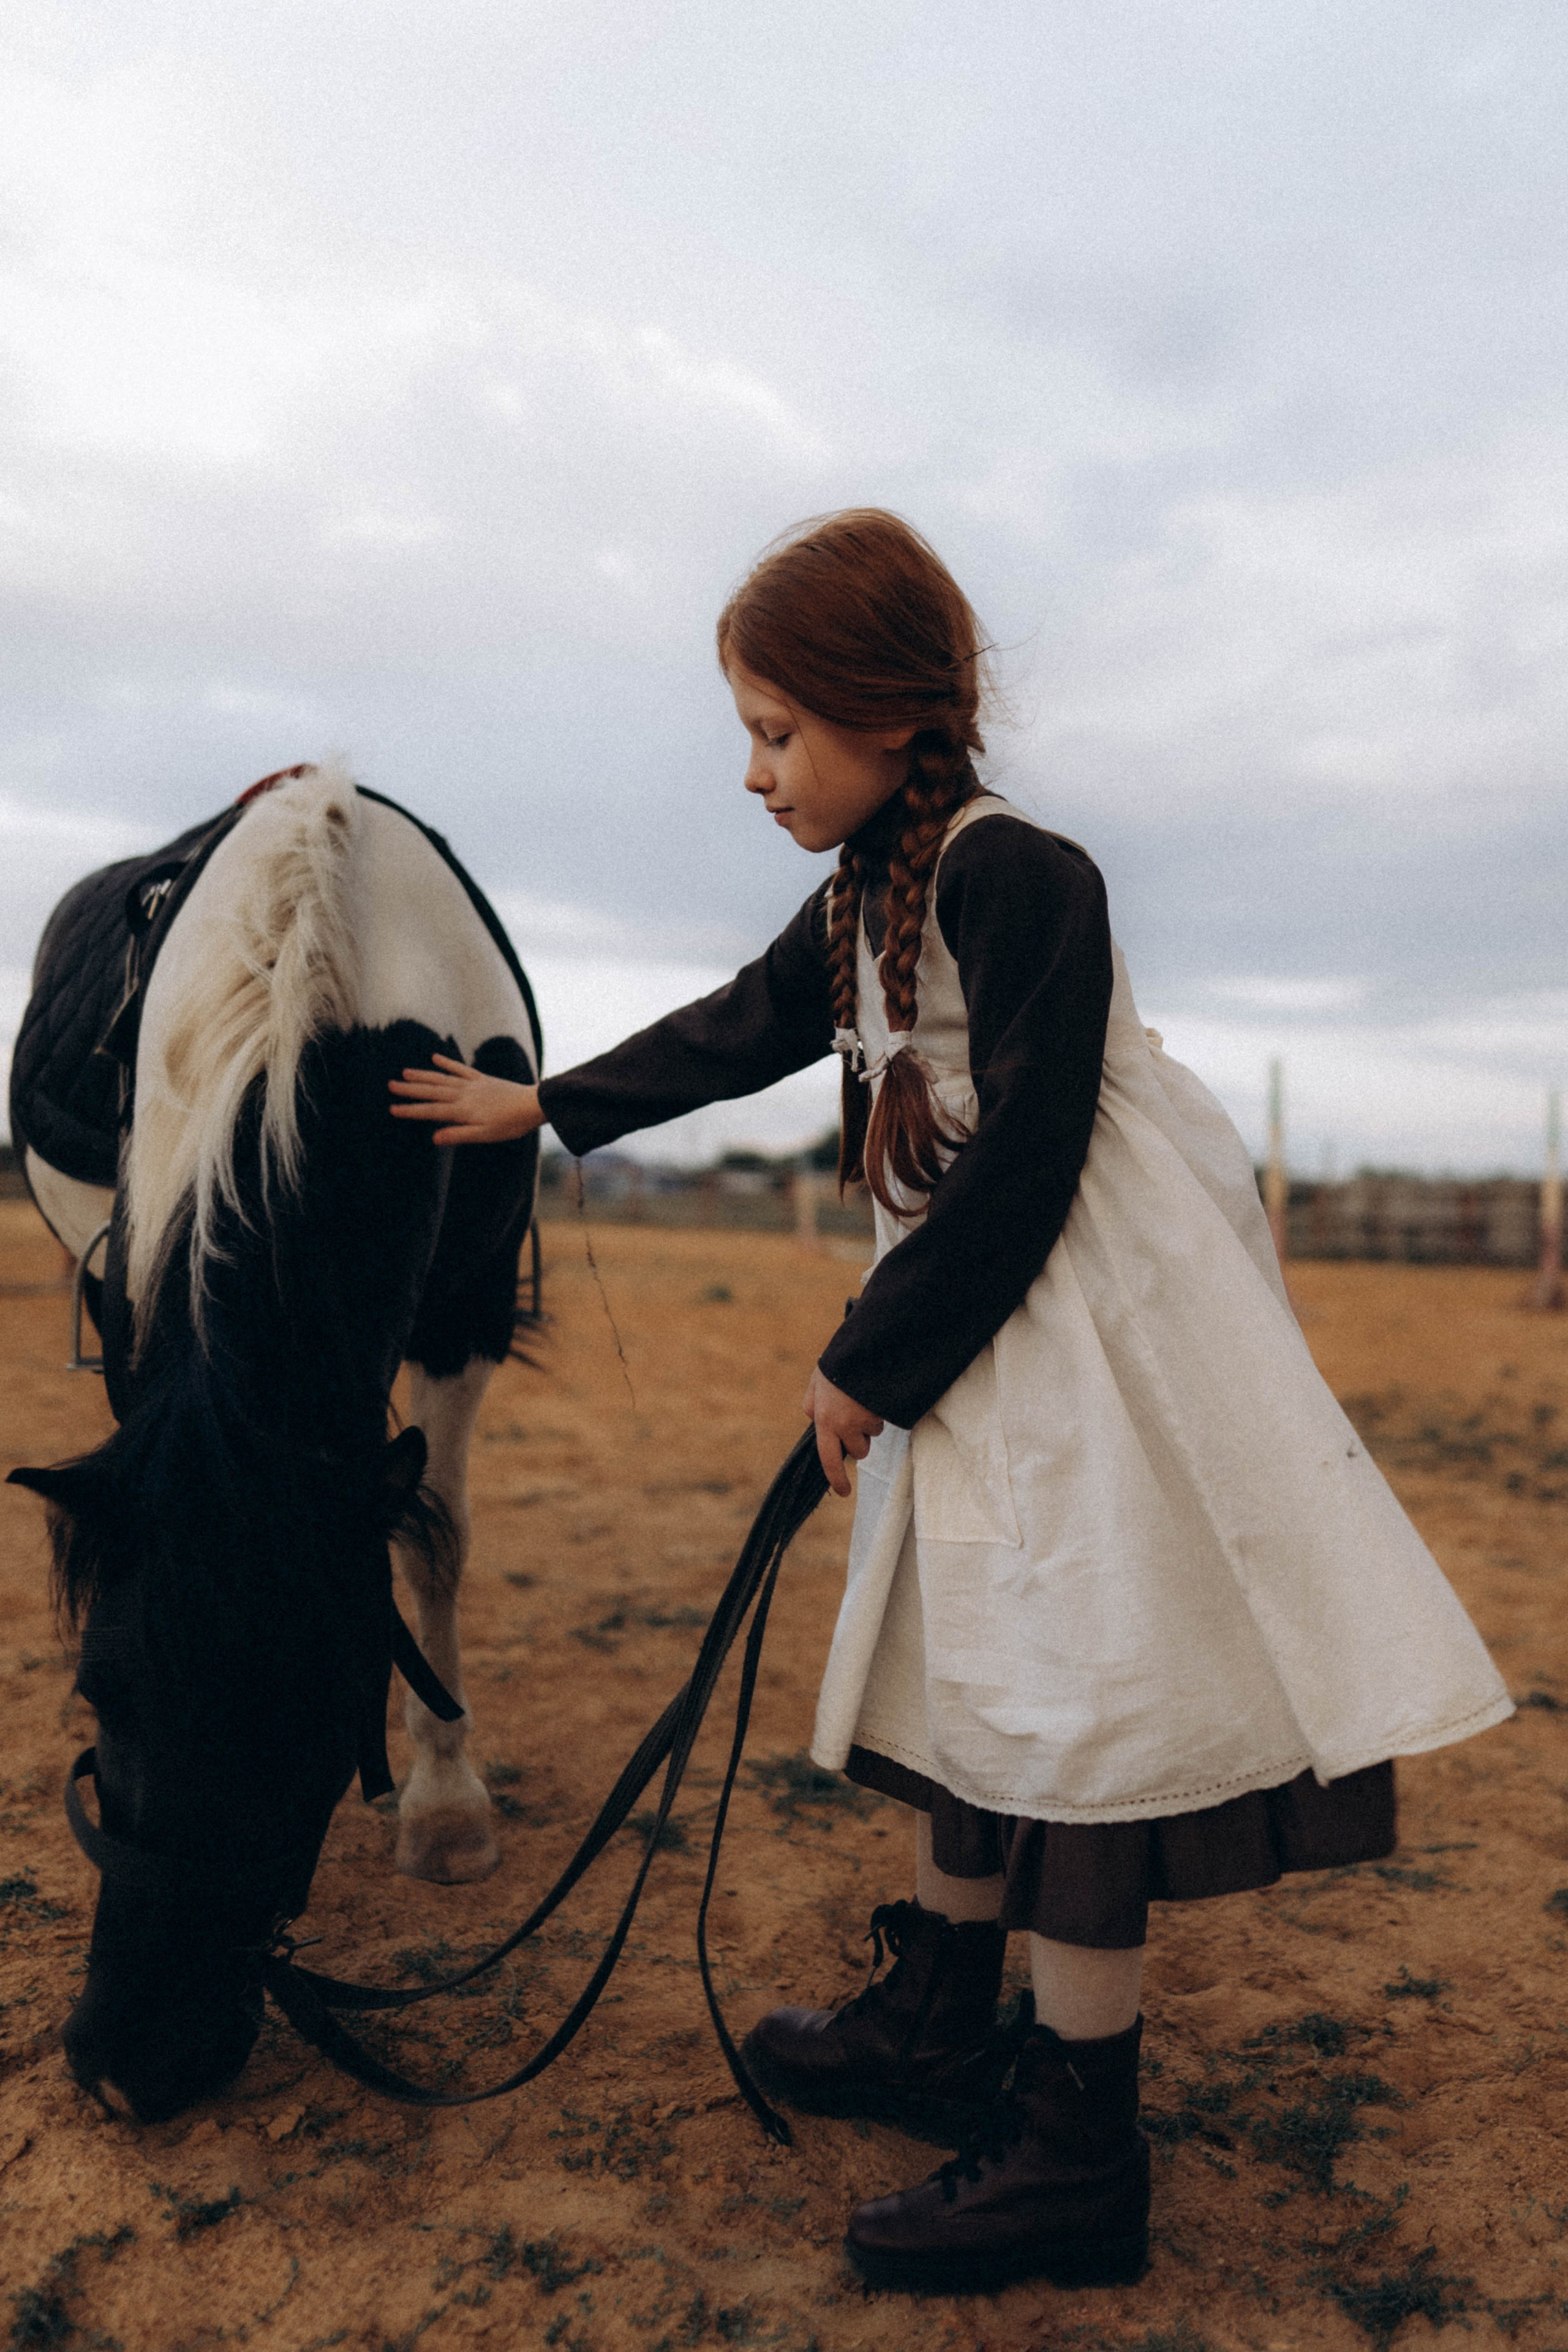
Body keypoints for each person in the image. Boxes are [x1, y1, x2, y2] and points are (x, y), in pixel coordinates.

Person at [389, 509, 1511, 2297]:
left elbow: (1032, 1167)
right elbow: (750, 1023)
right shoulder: (863, 893)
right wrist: (551, 1110)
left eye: (774, 729)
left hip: (1087, 1362)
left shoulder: (1023, 876)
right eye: (747, 732)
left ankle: (1080, 2146)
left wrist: (865, 1360)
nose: (751, 770)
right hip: (982, 1346)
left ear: (888, 710)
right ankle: (935, 2016)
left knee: (1076, 1708)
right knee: (970, 1661)